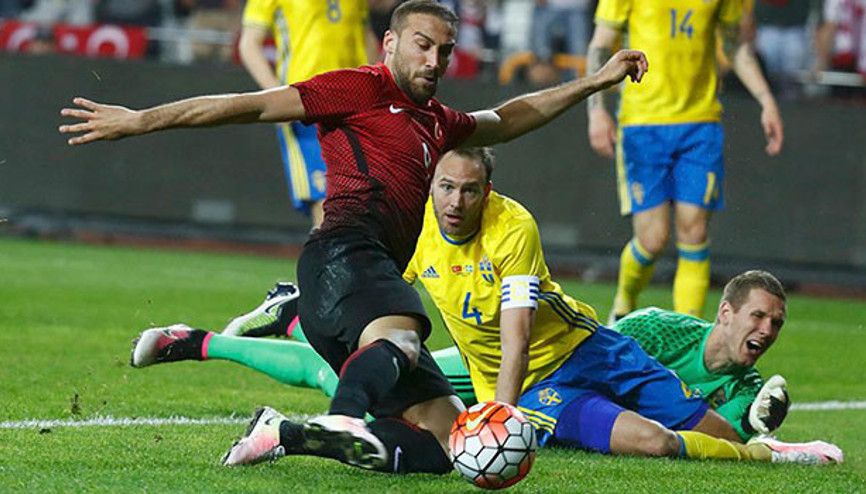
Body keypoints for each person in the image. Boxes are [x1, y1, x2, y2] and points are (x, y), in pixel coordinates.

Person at [59, 0, 649, 476]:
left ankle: (284, 433)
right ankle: (343, 414)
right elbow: (247, 105)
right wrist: (141, 120)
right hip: (343, 252)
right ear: (390, 43)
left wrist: (596, 81)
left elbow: (511, 117)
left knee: (451, 441)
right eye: (422, 44)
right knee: (404, 334)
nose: (434, 60)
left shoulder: (438, 122)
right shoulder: (357, 88)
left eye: (444, 50)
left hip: (363, 282)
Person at [129, 149, 842, 464]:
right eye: (445, 187)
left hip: (574, 352)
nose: (456, 201)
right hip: (508, 374)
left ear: (487, 191)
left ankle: (773, 453)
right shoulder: (412, 231)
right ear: (431, 187)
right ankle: (222, 337)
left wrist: (499, 413)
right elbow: (375, 291)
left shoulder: (512, 226)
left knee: (717, 435)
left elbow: (520, 327)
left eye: (470, 190)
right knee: (337, 372)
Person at [586, 0, 784, 322]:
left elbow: (734, 44)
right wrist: (596, 110)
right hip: (642, 123)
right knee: (652, 239)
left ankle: (689, 331)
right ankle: (624, 304)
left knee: (694, 231)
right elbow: (600, 45)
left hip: (700, 123)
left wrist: (766, 100)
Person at [238, 0, 377, 227]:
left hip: (354, 104)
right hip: (305, 105)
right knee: (327, 200)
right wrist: (276, 96)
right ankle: (327, 250)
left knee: (359, 200)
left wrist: (376, 84)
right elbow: (249, 44)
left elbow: (366, 36)